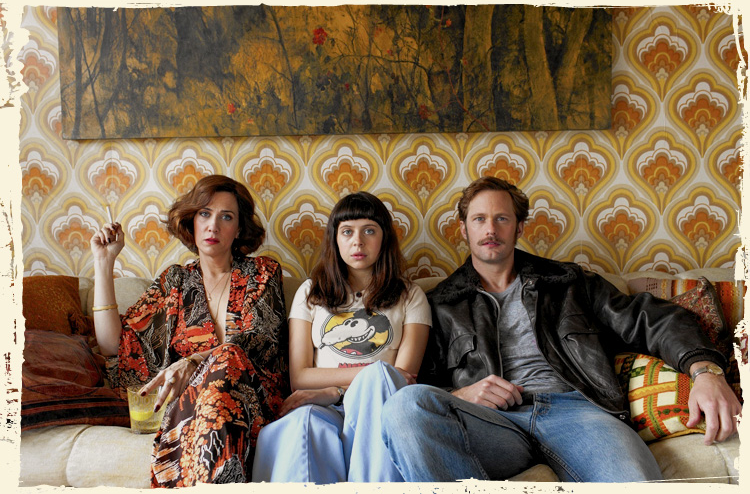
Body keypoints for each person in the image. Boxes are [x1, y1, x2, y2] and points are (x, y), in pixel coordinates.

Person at [381, 176, 742, 483]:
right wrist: (462, 395)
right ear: (464, 229)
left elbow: (653, 318)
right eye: (479, 219)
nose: (490, 230)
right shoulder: (442, 303)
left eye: (502, 218)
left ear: (519, 227)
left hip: (578, 413)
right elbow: (421, 381)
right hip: (492, 423)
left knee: (634, 482)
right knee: (404, 406)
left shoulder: (568, 282)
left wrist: (706, 373)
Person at [90, 175, 288, 487]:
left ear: (239, 229)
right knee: (209, 395)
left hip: (253, 403)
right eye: (204, 214)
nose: (213, 226)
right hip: (191, 410)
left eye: (226, 217)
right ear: (192, 221)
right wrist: (104, 262)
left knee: (229, 360)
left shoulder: (263, 273)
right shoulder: (175, 282)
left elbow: (257, 341)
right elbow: (114, 346)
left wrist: (192, 361)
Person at [252, 192, 431, 483]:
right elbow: (300, 377)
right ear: (335, 239)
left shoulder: (411, 296)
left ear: (384, 238)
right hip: (323, 406)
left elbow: (401, 381)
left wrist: (334, 389)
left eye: (369, 231)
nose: (357, 242)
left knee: (380, 379)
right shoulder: (310, 292)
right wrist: (352, 385)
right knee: (303, 422)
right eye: (347, 231)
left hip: (377, 407)